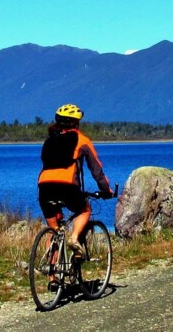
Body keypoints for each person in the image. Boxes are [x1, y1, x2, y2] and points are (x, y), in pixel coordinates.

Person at [37, 103, 113, 257]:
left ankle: (53, 278)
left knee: (54, 230)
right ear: (76, 123)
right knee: (85, 210)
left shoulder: (49, 141)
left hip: (44, 187)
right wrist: (106, 190)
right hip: (67, 187)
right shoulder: (82, 140)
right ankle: (74, 238)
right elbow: (97, 170)